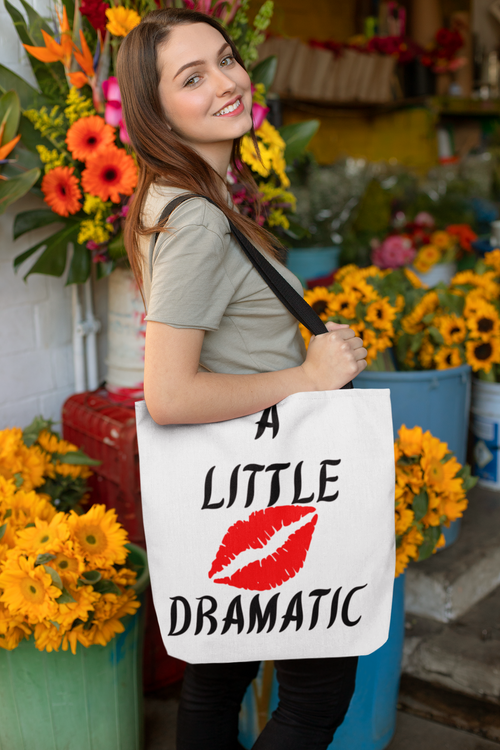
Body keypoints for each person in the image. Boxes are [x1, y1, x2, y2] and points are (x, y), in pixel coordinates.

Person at [117, 8, 368, 750]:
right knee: (318, 695)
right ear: (155, 110)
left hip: (232, 487)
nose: (228, 82)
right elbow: (169, 394)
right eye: (193, 77)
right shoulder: (195, 219)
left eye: (226, 60)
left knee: (218, 681)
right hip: (264, 485)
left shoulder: (179, 201)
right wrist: (308, 375)